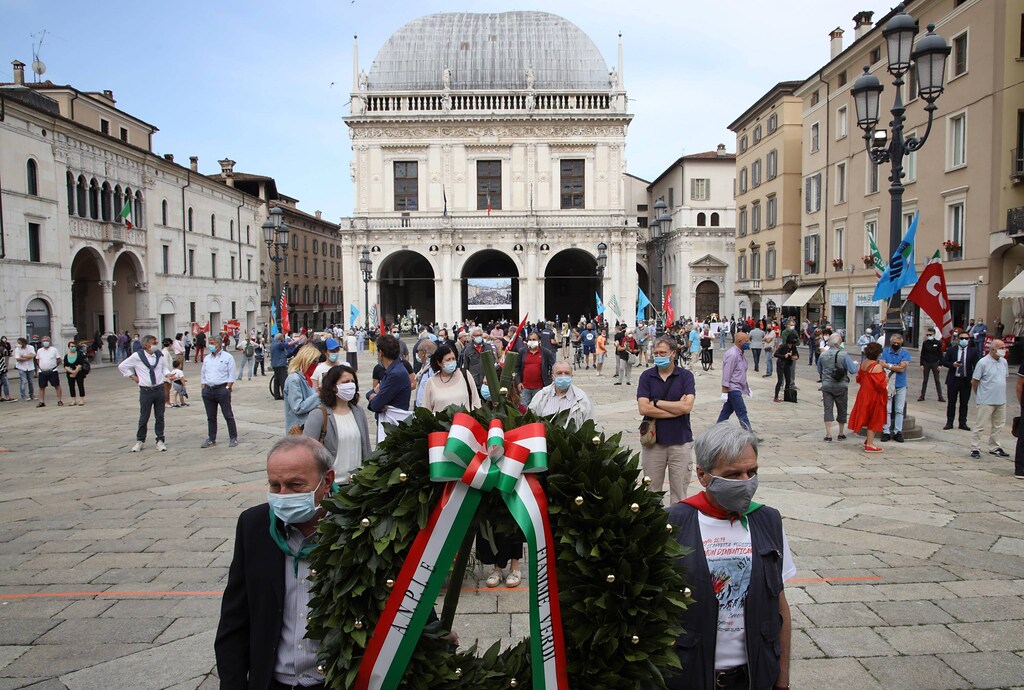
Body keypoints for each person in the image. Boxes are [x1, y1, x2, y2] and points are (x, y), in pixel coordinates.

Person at [665, 422, 794, 690]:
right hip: (690, 676)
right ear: (702, 475)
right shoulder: (673, 524)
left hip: (755, 676)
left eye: (752, 471)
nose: (747, 483)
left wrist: (782, 679)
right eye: (734, 475)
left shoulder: (768, 521)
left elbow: (779, 605)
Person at [215, 436, 337, 689]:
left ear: (327, 481)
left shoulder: (360, 527)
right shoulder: (254, 526)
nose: (284, 495)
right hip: (274, 682)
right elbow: (234, 619)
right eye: (275, 486)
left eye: (295, 485)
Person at [636, 336, 697, 503]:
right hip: (653, 442)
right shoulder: (647, 377)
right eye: (656, 353)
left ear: (673, 354)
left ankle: (676, 525)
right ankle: (655, 526)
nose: (658, 356)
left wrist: (656, 403)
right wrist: (675, 409)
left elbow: (687, 407)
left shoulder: (685, 376)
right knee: (651, 491)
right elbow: (643, 408)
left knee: (679, 491)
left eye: (662, 352)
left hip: (680, 440)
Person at [303, 364, 371, 479]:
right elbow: (306, 451)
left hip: (357, 483)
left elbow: (366, 447)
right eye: (345, 382)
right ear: (333, 386)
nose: (350, 385)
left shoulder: (358, 412)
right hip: (332, 485)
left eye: (352, 381)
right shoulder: (319, 414)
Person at [118, 335, 175, 452]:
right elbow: (122, 366)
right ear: (146, 345)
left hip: (159, 389)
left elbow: (163, 368)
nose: (155, 344)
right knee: (144, 417)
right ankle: (140, 440)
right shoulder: (137, 356)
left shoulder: (159, 355)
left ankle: (160, 440)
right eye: (153, 342)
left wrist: (168, 374)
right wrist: (132, 376)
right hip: (146, 391)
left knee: (159, 416)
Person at [366, 333, 413, 441]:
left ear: (380, 352)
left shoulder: (395, 374)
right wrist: (372, 394)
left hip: (393, 426)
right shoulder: (393, 370)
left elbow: (376, 404)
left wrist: (374, 396)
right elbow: (374, 392)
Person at [970, 339, 1009, 460]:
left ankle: (995, 447)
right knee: (980, 425)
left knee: (998, 425)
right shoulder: (983, 362)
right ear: (992, 349)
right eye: (1001, 347)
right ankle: (975, 447)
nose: (1004, 349)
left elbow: (1004, 378)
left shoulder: (1004, 362)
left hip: (1001, 399)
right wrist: (979, 395)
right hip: (986, 399)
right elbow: (975, 381)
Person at [528, 360, 594, 429]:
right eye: (559, 373)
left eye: (567, 373)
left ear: (571, 376)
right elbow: (530, 420)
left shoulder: (582, 398)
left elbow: (590, 425)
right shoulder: (541, 396)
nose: (563, 376)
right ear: (553, 376)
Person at [848, 342, 888, 453]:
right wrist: (887, 378)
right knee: (874, 418)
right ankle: (870, 444)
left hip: (863, 393)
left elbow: (859, 378)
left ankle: (868, 440)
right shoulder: (877, 366)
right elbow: (881, 385)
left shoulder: (864, 363)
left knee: (867, 416)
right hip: (873, 395)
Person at [818, 333, 858, 442]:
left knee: (827, 409)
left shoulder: (823, 355)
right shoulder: (844, 355)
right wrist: (855, 364)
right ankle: (841, 433)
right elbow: (853, 370)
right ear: (837, 343)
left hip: (826, 385)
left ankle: (828, 434)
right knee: (842, 408)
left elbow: (819, 370)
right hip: (841, 385)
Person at [200, 334, 238, 448]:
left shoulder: (227, 357)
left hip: (222, 389)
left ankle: (233, 437)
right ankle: (211, 438)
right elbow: (203, 373)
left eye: (212, 343)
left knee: (228, 415)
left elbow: (232, 374)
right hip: (208, 389)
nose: (210, 346)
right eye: (209, 343)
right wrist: (203, 387)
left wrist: (228, 387)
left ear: (219, 344)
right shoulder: (207, 358)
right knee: (211, 416)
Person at [419, 344, 481, 413]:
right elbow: (426, 409)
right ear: (439, 363)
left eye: (453, 359)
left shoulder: (465, 375)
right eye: (448, 360)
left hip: (464, 421)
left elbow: (476, 402)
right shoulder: (431, 382)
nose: (452, 362)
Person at [943, 329, 980, 431]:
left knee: (964, 403)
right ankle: (949, 422)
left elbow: (977, 365)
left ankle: (962, 423)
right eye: (962, 338)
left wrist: (975, 378)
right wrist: (953, 364)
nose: (964, 340)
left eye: (966, 338)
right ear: (958, 339)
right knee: (951, 402)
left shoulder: (973, 351)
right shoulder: (952, 350)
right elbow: (944, 361)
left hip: (966, 380)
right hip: (953, 379)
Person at [716, 333, 754, 433]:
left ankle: (716, 431)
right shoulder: (732, 354)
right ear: (740, 341)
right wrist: (724, 391)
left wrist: (747, 387)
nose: (748, 342)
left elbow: (740, 373)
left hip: (738, 387)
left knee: (726, 412)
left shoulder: (740, 353)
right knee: (742, 412)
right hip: (733, 388)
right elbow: (727, 373)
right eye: (746, 340)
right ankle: (749, 435)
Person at [284, 345, 325, 434]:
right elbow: (297, 407)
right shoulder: (294, 379)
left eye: (317, 362)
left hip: (309, 425)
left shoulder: (306, 378)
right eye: (314, 362)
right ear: (306, 361)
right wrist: (318, 396)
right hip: (299, 428)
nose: (316, 365)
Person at [879, 334, 911, 443]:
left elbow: (902, 368)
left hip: (900, 384)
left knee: (899, 410)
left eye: (898, 343)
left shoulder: (905, 353)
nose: (896, 345)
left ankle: (898, 432)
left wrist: (889, 366)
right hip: (888, 384)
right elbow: (881, 364)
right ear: (891, 342)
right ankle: (886, 431)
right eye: (894, 343)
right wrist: (895, 366)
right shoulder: (886, 351)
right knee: (887, 409)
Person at [516, 333, 554, 406]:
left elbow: (553, 367)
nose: (531, 341)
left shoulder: (546, 353)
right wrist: (518, 382)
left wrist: (549, 381)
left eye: (534, 339)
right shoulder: (522, 352)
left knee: (538, 408)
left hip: (540, 388)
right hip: (525, 387)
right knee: (524, 409)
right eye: (530, 340)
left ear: (539, 341)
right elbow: (517, 367)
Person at [918, 327, 945, 402]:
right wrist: (921, 364)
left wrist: (940, 364)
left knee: (937, 380)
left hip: (935, 362)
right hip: (927, 362)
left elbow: (940, 354)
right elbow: (922, 354)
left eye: (930, 334)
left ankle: (940, 396)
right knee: (925, 380)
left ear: (934, 334)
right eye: (928, 334)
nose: (929, 336)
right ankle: (922, 395)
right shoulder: (925, 343)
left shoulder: (938, 343)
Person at [34, 337, 63, 408]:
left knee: (56, 385)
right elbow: (37, 360)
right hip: (42, 371)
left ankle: (59, 400)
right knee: (41, 387)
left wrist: (54, 366)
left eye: (47, 341)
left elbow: (59, 360)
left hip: (53, 371)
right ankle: (41, 401)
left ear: (50, 341)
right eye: (44, 341)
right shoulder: (39, 350)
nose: (45, 342)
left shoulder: (54, 350)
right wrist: (40, 367)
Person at [772, 335, 800, 403]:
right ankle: (776, 397)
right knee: (780, 380)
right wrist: (784, 356)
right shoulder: (783, 346)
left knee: (788, 380)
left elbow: (797, 355)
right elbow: (776, 354)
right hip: (781, 363)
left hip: (788, 364)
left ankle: (787, 396)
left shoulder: (793, 347)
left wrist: (795, 357)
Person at [63, 341, 87, 406]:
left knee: (80, 385)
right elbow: (65, 365)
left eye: (74, 346)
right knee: (71, 386)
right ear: (69, 347)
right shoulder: (66, 356)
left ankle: (82, 400)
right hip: (70, 373)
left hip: (79, 372)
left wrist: (75, 371)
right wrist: (71, 372)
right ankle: (73, 400)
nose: (73, 347)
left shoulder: (79, 354)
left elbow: (80, 363)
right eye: (71, 346)